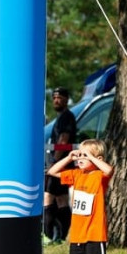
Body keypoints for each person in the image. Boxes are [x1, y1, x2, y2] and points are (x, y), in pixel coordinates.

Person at [48, 139, 113, 254]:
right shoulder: (77, 174)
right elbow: (52, 171)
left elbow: (109, 169)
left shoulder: (99, 176)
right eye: (80, 154)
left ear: (96, 157)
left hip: (94, 231)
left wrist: (92, 156)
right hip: (78, 232)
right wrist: (69, 158)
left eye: (85, 155)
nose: (80, 158)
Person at [44, 87, 77, 243]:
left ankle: (48, 235)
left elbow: (63, 141)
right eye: (54, 98)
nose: (56, 100)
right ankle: (63, 236)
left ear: (66, 99)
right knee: (62, 200)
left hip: (59, 166)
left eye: (59, 97)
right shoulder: (61, 117)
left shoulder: (67, 117)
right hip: (61, 166)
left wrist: (55, 164)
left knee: (48, 197)